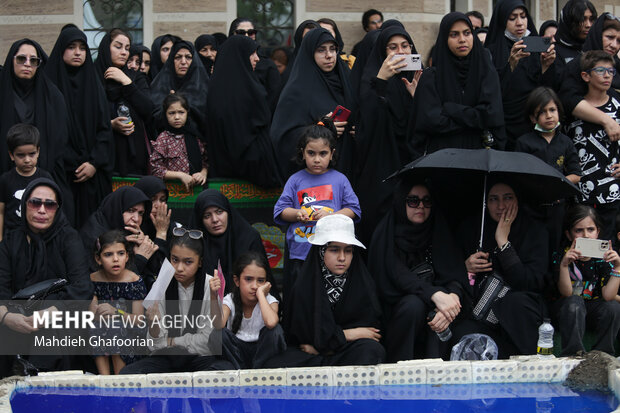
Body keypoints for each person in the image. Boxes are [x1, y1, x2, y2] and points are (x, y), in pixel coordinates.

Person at [0, 178, 93, 377]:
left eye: (49, 205)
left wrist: (49, 313)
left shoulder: (69, 238)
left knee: (51, 333)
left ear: (57, 209)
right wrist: (8, 318)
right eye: (35, 203)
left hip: (59, 317)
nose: (42, 210)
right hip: (15, 317)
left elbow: (82, 288)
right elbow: (2, 288)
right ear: (24, 205)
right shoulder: (10, 241)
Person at [266, 214, 385, 368]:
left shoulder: (362, 282)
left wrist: (328, 345)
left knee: (372, 351)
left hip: (345, 352)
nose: (342, 258)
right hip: (309, 354)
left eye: (348, 251)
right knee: (278, 362)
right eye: (335, 250)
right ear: (321, 252)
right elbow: (301, 336)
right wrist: (350, 334)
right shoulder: (304, 286)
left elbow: (372, 333)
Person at [368, 180, 469, 361]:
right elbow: (397, 276)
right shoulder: (386, 234)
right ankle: (400, 368)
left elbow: (453, 273)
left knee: (440, 310)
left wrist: (452, 297)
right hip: (397, 314)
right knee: (413, 305)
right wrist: (435, 295)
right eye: (413, 201)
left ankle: (436, 370)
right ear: (401, 202)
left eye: (427, 201)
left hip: (435, 311)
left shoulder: (437, 229)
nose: (421, 206)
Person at [457, 181, 548, 357]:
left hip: (520, 313)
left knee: (515, 302)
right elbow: (452, 274)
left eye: (508, 198)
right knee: (463, 331)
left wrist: (503, 242)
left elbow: (529, 283)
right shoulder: (472, 228)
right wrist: (466, 267)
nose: (500, 206)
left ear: (518, 200)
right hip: (481, 313)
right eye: (493, 199)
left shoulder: (534, 231)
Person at [273, 119, 360, 300]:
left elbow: (353, 210)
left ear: (332, 154)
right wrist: (297, 213)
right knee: (301, 297)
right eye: (311, 153)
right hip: (300, 252)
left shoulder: (340, 180)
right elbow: (280, 211)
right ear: (302, 153)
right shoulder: (295, 180)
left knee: (325, 298)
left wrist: (332, 215)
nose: (317, 159)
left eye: (323, 153)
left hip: (331, 253)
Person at [120, 229, 223, 374]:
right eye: (175, 260)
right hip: (166, 358)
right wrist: (154, 326)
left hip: (199, 358)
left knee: (223, 370)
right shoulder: (161, 285)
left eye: (188, 262)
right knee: (128, 374)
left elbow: (207, 342)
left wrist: (172, 341)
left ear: (200, 262)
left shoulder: (210, 286)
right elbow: (155, 345)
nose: (179, 268)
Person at [355, 25, 422, 244]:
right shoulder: (371, 81)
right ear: (382, 52)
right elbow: (369, 123)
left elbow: (427, 124)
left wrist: (418, 99)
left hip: (412, 165)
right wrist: (381, 81)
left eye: (405, 46)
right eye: (392, 47)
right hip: (381, 169)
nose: (401, 52)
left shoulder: (419, 78)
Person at [408, 12, 506, 158]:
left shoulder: (485, 71)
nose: (462, 40)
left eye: (467, 33)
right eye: (454, 34)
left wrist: (450, 109)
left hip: (479, 156)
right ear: (444, 39)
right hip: (442, 158)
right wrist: (473, 120)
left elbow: (491, 115)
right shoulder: (431, 77)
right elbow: (431, 121)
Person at [46, 26, 114, 228]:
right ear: (61, 50)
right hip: (61, 173)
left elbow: (104, 129)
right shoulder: (49, 85)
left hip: (92, 175)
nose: (77, 53)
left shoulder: (94, 85)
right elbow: (49, 130)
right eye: (71, 47)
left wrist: (93, 163)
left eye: (82, 48)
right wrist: (70, 162)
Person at [0, 39, 71, 221]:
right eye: (21, 59)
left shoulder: (52, 95)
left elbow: (60, 137)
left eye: (34, 61)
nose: (27, 64)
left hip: (45, 174)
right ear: (11, 60)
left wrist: (37, 168)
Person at [271, 28, 355, 179]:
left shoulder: (345, 81)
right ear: (310, 53)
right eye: (321, 50)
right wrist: (321, 129)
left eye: (332, 49)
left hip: (348, 170)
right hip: (313, 178)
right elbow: (283, 137)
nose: (329, 55)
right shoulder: (297, 90)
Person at [205, 35, 282, 188]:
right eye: (252, 53)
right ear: (239, 57)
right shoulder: (240, 93)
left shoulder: (241, 87)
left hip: (227, 175)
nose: (257, 59)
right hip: (250, 172)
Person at [515, 87, 581, 252]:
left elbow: (576, 174)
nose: (549, 115)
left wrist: (557, 184)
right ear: (532, 117)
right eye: (542, 112)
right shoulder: (524, 143)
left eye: (552, 110)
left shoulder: (566, 142)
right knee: (533, 247)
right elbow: (519, 175)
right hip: (531, 208)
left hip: (558, 208)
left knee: (555, 247)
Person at [484, 0, 557, 146]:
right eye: (512, 18)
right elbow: (490, 92)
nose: (519, 23)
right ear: (502, 20)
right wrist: (510, 65)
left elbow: (546, 89)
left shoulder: (535, 47)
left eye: (523, 16)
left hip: (532, 124)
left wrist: (545, 67)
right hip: (505, 125)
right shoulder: (490, 52)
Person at [565, 51, 620, 240]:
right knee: (583, 249)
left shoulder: (618, 105)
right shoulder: (574, 107)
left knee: (607, 247)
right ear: (585, 75)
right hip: (580, 191)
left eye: (611, 71)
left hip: (611, 192)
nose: (607, 75)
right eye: (601, 70)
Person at [551, 205, 620, 356]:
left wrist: (617, 267)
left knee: (613, 307)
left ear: (598, 232)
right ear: (569, 235)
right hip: (567, 310)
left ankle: (602, 355)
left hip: (594, 309)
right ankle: (573, 355)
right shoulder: (561, 255)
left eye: (590, 229)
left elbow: (608, 296)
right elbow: (567, 292)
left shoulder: (603, 258)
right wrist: (564, 265)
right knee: (574, 303)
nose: (586, 235)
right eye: (579, 230)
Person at [189, 189, 277, 296]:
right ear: (200, 221)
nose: (215, 219)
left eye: (219, 212)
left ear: (228, 211)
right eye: (207, 216)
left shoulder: (249, 238)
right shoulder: (195, 243)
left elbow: (263, 282)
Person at [94, 29, 154, 177]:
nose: (124, 52)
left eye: (127, 48)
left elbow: (148, 109)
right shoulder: (93, 78)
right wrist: (110, 124)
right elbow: (86, 116)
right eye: (118, 46)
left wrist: (126, 81)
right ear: (106, 47)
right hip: (102, 156)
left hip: (134, 157)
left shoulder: (136, 78)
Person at [211, 251, 285, 369]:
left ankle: (259, 372)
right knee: (218, 333)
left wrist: (261, 294)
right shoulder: (230, 299)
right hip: (237, 354)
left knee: (275, 330)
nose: (254, 286)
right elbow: (218, 324)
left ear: (266, 283)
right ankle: (240, 372)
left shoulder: (270, 300)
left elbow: (271, 323)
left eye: (260, 281)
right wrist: (213, 295)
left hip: (262, 354)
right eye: (248, 279)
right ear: (237, 281)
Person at [89, 230, 147, 374]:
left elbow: (139, 320)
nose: (116, 259)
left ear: (127, 256)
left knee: (115, 325)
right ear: (98, 259)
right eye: (108, 254)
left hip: (131, 334)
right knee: (96, 326)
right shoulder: (92, 279)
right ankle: (104, 378)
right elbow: (91, 316)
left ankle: (119, 377)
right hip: (102, 330)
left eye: (120, 253)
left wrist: (116, 312)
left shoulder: (134, 281)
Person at [558, 12, 620, 138]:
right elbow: (569, 100)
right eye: (609, 37)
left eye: (619, 41)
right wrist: (606, 120)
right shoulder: (578, 65)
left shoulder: (617, 65)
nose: (614, 45)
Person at [80, 186, 159, 273]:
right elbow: (108, 280)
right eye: (130, 210)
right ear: (116, 208)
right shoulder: (94, 234)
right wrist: (140, 258)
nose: (136, 219)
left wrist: (144, 246)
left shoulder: (132, 232)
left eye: (141, 213)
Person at [0, 124, 53, 239]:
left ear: (38, 152)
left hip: (39, 237)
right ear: (11, 155)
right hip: (12, 237)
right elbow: (1, 212)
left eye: (31, 154)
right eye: (21, 155)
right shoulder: (5, 179)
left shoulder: (45, 178)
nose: (27, 160)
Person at [150, 93, 208, 191]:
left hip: (198, 191)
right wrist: (179, 175)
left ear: (187, 113)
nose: (176, 117)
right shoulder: (163, 139)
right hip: (173, 193)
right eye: (171, 113)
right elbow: (156, 170)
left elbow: (206, 161)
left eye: (181, 112)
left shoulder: (195, 136)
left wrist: (203, 173)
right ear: (165, 114)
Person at [150, 40, 209, 135]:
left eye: (188, 57)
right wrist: (168, 104)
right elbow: (152, 119)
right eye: (178, 57)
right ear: (171, 60)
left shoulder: (203, 86)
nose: (183, 62)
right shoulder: (160, 84)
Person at [228, 18, 281, 114]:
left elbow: (273, 101)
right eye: (241, 32)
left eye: (251, 32)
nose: (247, 36)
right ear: (232, 35)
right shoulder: (224, 62)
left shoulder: (267, 65)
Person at [132, 175, 174, 290]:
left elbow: (161, 270)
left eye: (162, 199)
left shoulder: (172, 229)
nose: (158, 205)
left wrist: (161, 232)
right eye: (152, 199)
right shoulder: (132, 226)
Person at [555, 0, 597, 68]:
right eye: (582, 19)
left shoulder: (596, 49)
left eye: (591, 19)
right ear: (569, 21)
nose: (588, 25)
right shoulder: (553, 52)